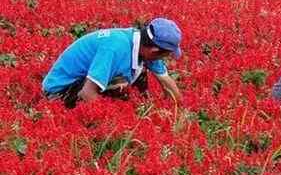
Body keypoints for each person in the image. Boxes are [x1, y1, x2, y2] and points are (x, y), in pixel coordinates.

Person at [42, 18, 183, 108]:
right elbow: (87, 93)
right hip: (58, 93)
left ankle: (137, 108)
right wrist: (118, 118)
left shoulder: (142, 44)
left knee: (138, 74)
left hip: (82, 84)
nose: (165, 58)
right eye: (166, 54)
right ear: (154, 50)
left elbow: (167, 82)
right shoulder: (115, 48)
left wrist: (175, 112)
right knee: (120, 83)